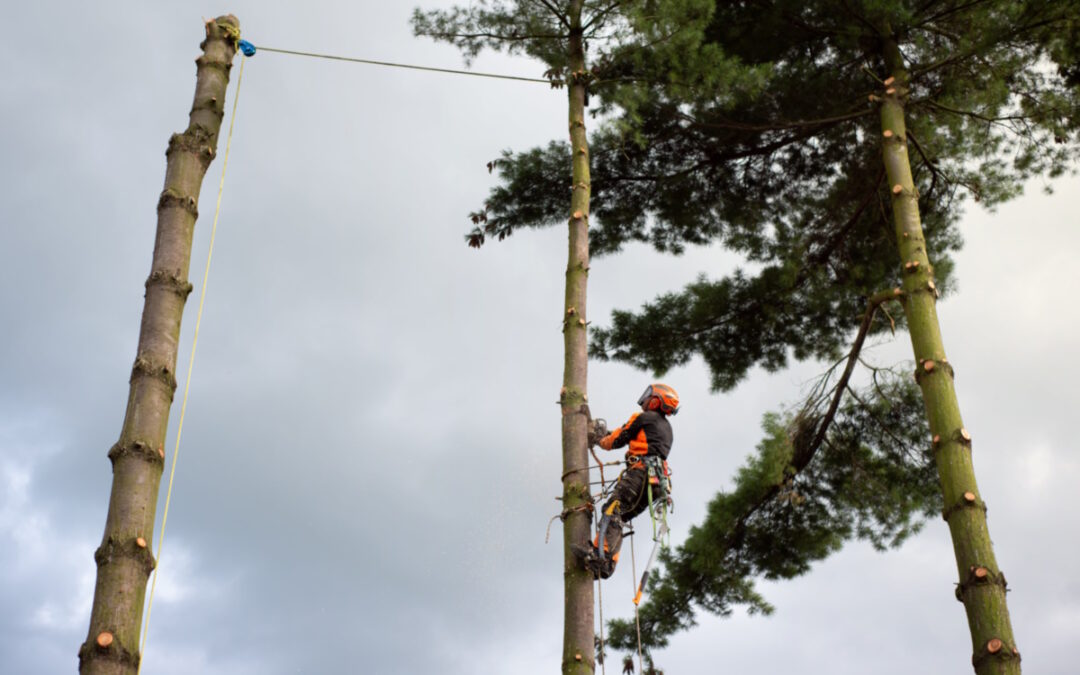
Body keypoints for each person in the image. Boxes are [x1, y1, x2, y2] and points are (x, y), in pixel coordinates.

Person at [576, 383, 679, 579]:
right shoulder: (667, 428)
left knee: (613, 509)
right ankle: (606, 563)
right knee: (619, 517)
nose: (645, 399)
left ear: (656, 400)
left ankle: (601, 556)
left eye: (649, 396)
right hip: (657, 484)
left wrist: (597, 438)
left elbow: (616, 440)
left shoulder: (642, 418)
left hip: (640, 475)